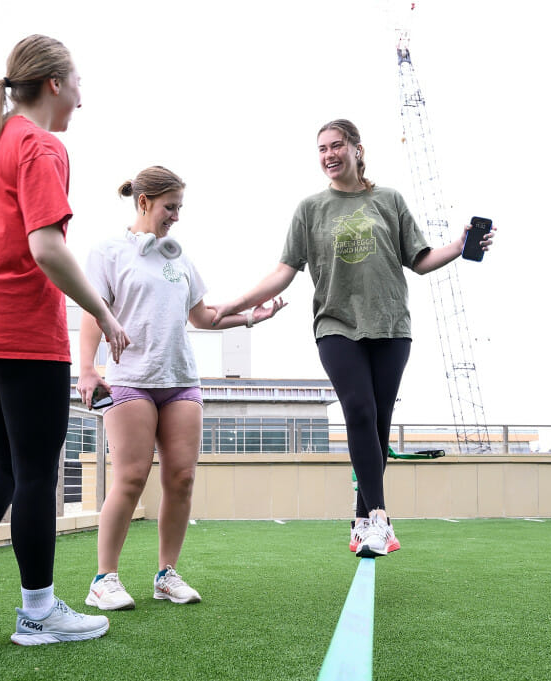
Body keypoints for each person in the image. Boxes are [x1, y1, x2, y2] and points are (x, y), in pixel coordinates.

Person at [0, 35, 131, 645]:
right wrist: (104, 314)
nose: (82, 101)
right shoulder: (40, 144)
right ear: (56, 84)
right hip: (15, 326)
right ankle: (38, 613)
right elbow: (45, 246)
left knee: (10, 465)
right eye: (79, 85)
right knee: (37, 471)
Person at [209, 119, 496, 558]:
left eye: (337, 145)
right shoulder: (310, 209)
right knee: (358, 410)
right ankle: (379, 517)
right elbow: (284, 272)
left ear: (358, 150)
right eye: (322, 148)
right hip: (336, 325)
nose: (329, 155)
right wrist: (235, 305)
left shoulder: (388, 200)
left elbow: (418, 261)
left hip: (390, 327)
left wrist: (459, 245)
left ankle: (361, 523)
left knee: (376, 427)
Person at [77, 166, 285, 610]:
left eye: (180, 208)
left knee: (182, 478)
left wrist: (251, 317)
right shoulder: (109, 251)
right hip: (131, 377)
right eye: (170, 207)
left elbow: (203, 318)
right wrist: (88, 369)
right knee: (131, 476)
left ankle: (166, 574)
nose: (176, 217)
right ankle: (104, 579)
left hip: (181, 381)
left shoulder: (179, 257)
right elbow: (93, 311)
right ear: (144, 201)